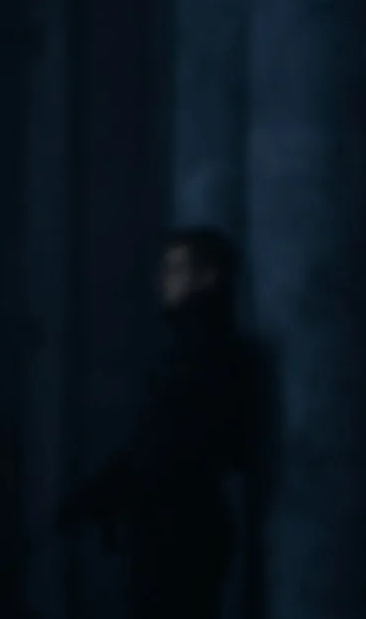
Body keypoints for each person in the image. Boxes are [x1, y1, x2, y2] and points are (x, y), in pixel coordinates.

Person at [59, 227, 265, 619]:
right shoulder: (192, 348)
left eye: (174, 269)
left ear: (209, 277)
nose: (162, 281)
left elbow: (169, 445)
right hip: (174, 524)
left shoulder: (207, 352)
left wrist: (112, 488)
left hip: (181, 528)